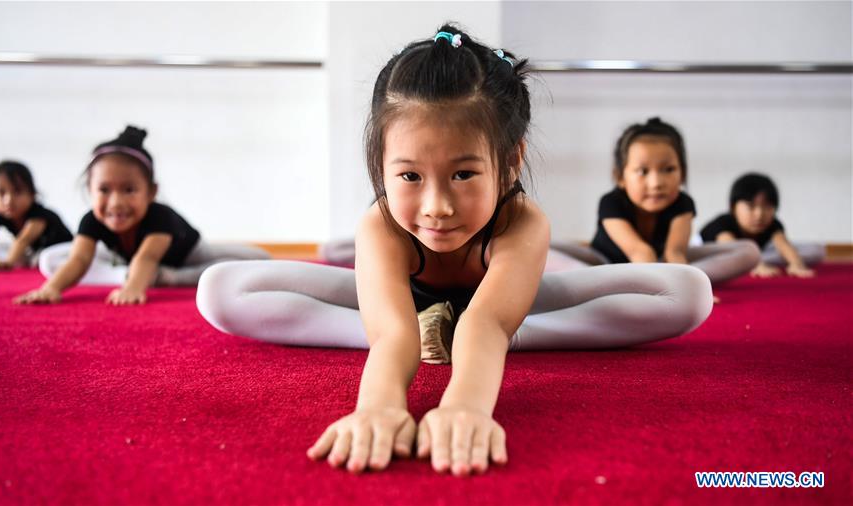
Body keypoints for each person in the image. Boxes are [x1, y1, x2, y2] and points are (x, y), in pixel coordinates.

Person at [196, 25, 712, 476]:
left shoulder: (522, 221)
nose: (437, 206)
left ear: (511, 162)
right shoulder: (381, 225)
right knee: (219, 289)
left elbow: (486, 324)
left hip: (509, 312)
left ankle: (499, 335)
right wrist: (379, 407)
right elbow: (392, 333)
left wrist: (466, 406)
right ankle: (437, 334)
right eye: (410, 176)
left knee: (686, 292)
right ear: (380, 167)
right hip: (401, 311)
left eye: (463, 174)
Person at [14, 126, 269, 305]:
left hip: (190, 254)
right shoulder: (91, 220)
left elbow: (147, 256)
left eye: (129, 190)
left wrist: (133, 287)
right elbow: (79, 260)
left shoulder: (159, 217)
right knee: (50, 260)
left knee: (259, 259)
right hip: (135, 263)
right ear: (89, 191)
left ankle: (172, 278)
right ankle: (138, 275)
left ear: (151, 193)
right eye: (104, 190)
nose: (116, 202)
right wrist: (50, 289)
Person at [550, 117, 759, 284]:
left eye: (668, 170)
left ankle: (678, 279)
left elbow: (674, 252)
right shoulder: (610, 203)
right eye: (643, 171)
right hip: (603, 262)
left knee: (749, 251)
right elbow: (639, 251)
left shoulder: (683, 204)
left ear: (683, 174)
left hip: (663, 263)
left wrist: (687, 284)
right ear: (620, 177)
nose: (656, 183)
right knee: (542, 249)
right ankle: (608, 282)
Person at [0, 161, 72, 273]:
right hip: (32, 252)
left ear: (32, 194)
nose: (9, 200)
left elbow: (23, 240)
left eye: (17, 191)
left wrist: (8, 262)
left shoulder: (39, 214)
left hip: (62, 250)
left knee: (45, 259)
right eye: (1, 193)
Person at [700, 172, 822, 278]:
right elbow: (733, 248)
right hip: (716, 254)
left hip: (756, 255)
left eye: (767, 206)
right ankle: (754, 261)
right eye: (751, 206)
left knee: (816, 249)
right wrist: (756, 265)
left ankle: (756, 260)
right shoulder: (722, 223)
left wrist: (796, 265)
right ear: (733, 207)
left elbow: (783, 244)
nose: (759, 214)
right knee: (717, 263)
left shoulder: (773, 224)